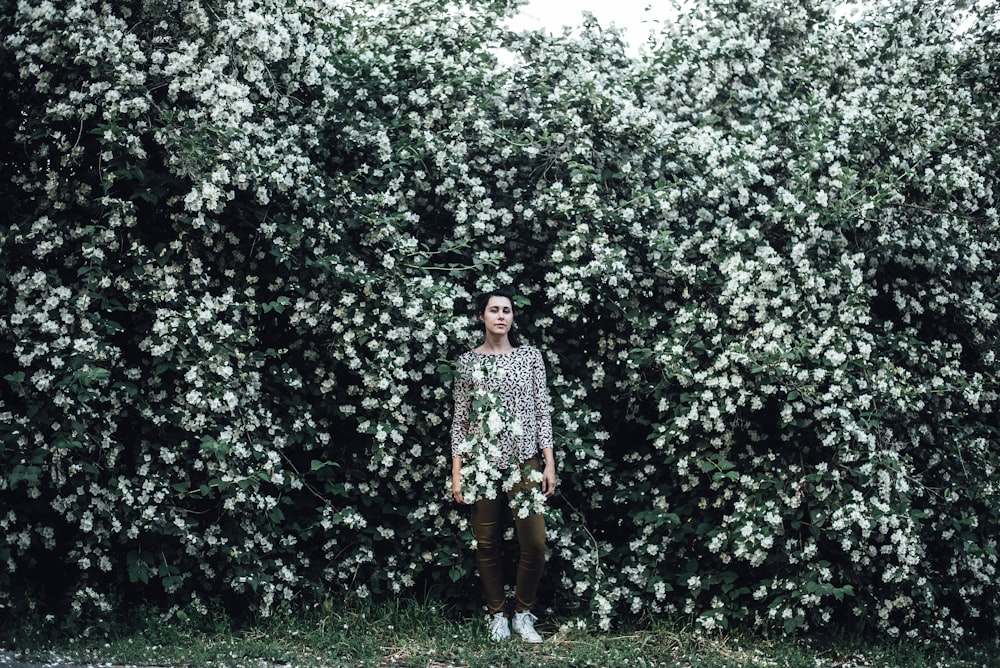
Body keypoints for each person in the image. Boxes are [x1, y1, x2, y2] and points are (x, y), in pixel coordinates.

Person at [450, 291, 557, 643]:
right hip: (482, 466)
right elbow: (460, 421)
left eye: (506, 310)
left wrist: (548, 462)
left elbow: (542, 411)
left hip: (524, 463)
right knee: (487, 543)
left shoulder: (529, 357)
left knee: (535, 542)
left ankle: (523, 614)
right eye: (494, 310)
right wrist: (457, 474)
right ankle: (497, 615)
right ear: (482, 317)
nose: (501, 316)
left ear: (513, 317)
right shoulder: (468, 363)